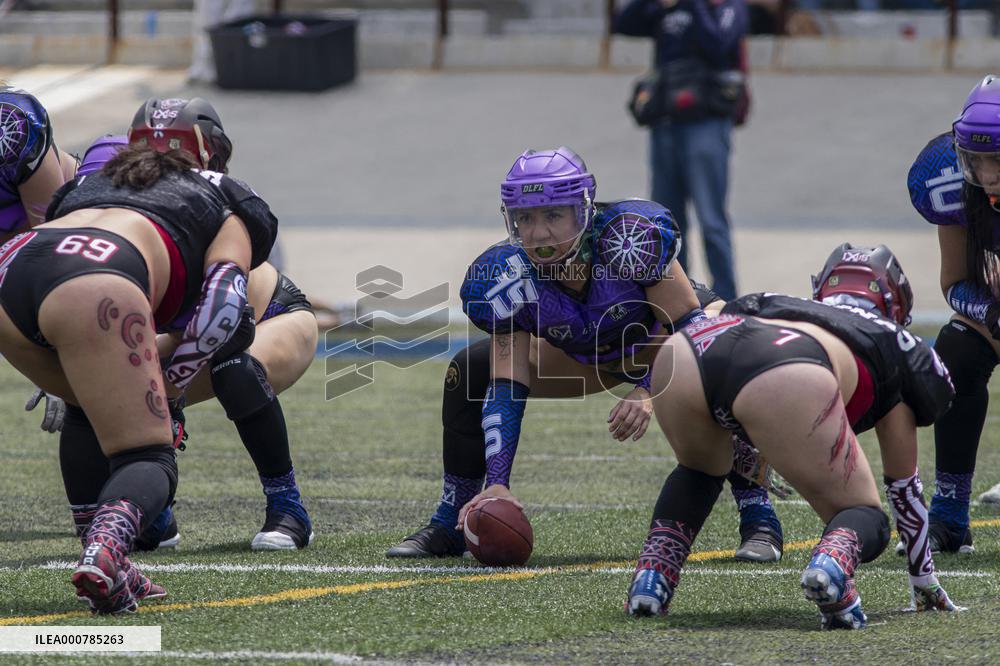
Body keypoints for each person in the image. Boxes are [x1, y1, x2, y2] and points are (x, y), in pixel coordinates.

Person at [385, 147, 785, 563]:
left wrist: (648, 390)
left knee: (723, 354)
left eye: (553, 215)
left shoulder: (632, 238)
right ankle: (451, 519)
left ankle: (759, 519)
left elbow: (689, 327)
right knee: (471, 370)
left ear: (583, 211)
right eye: (525, 217)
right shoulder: (504, 278)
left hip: (663, 340)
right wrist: (498, 482)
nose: (538, 233)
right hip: (587, 354)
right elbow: (507, 381)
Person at [0, 131, 277, 612]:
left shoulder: (89, 187)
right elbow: (223, 307)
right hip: (96, 277)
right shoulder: (223, 197)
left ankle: (110, 560)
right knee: (149, 455)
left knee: (91, 404)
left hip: (12, 266)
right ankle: (107, 549)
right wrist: (170, 392)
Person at [627, 244, 961, 628]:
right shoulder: (897, 343)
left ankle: (652, 578)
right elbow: (904, 485)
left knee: (699, 470)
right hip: (788, 368)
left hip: (688, 350)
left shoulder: (781, 301)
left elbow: (735, 360)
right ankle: (831, 568)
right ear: (896, 303)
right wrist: (923, 579)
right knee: (866, 516)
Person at [62, 111, 315, 552]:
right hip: (189, 327)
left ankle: (288, 506)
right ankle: (151, 515)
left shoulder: (212, 202)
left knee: (235, 368)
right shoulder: (107, 204)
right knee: (89, 395)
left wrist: (170, 390)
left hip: (264, 317)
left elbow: (225, 316)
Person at [907, 74, 1000, 541]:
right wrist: (991, 312)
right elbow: (955, 282)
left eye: (997, 158)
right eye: (977, 158)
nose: (987, 173)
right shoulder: (947, 178)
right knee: (956, 350)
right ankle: (949, 511)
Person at [613, 0, 748, 300]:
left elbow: (719, 44)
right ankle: (680, 299)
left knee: (711, 219)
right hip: (665, 122)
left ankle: (727, 301)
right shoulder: (666, 8)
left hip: (707, 122)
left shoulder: (726, 7)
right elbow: (624, 24)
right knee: (667, 222)